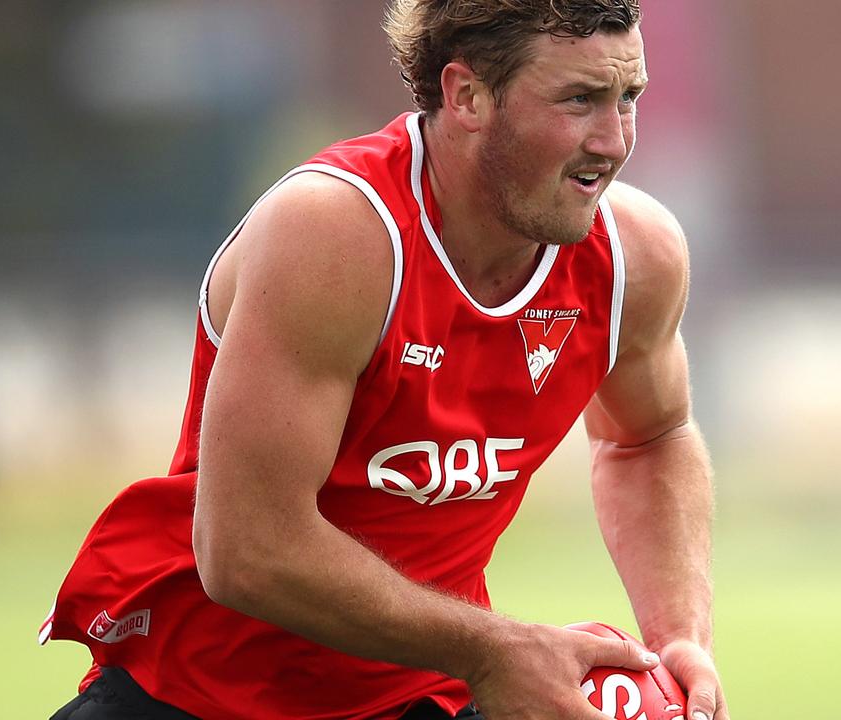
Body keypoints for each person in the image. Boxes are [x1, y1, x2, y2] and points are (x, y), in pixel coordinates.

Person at [41, 1, 726, 719]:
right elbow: (247, 549)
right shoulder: (338, 235)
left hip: (422, 694)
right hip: (195, 695)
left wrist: (679, 634)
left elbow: (651, 436)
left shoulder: (634, 258)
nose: (614, 142)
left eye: (628, 99)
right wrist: (498, 650)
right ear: (467, 96)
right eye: (579, 100)